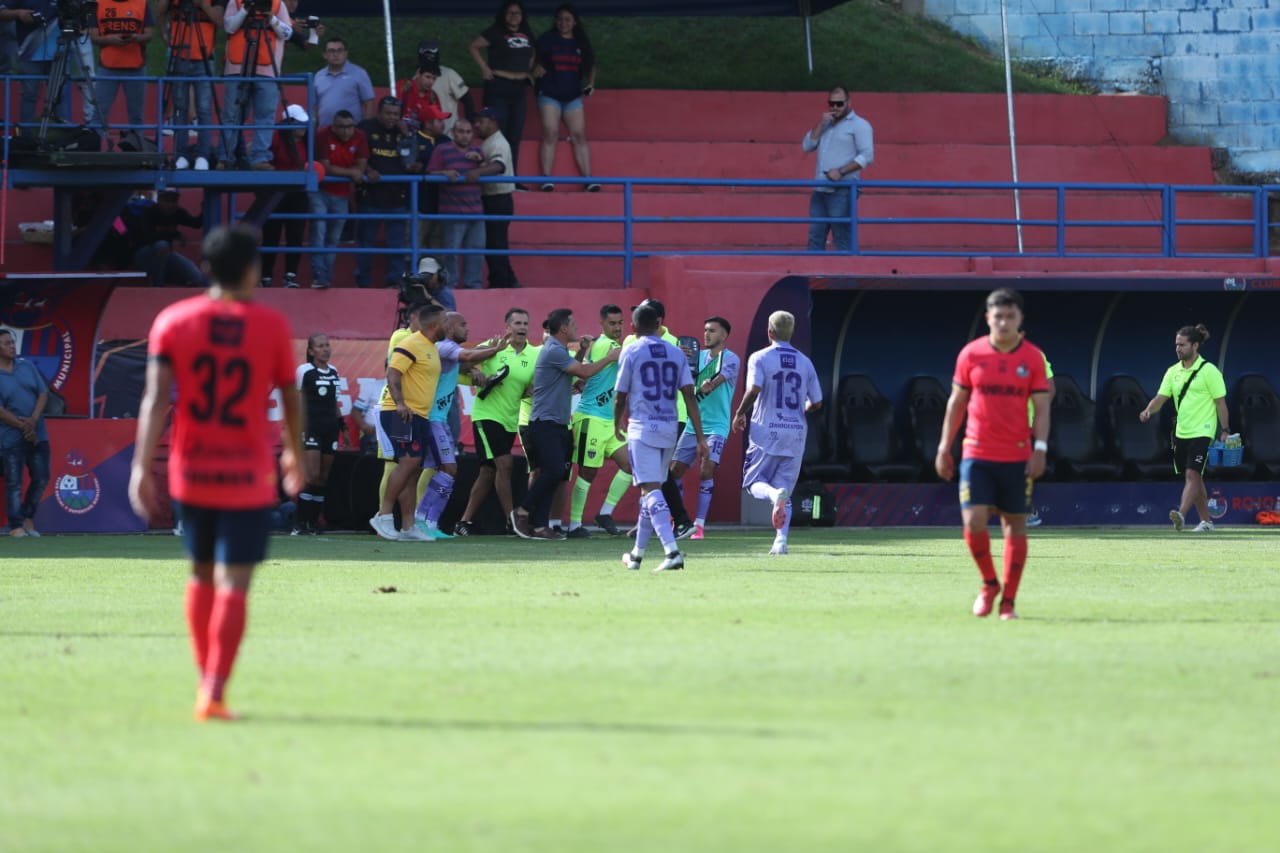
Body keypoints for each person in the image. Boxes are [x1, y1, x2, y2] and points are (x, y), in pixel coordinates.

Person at [128, 224, 305, 722]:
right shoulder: (269, 326)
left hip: (192, 471)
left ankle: (206, 683)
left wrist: (141, 466)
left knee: (201, 574)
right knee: (235, 583)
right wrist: (293, 452)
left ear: (204, 267)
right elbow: (290, 399)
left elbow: (156, 399)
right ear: (253, 269)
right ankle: (214, 689)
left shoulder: (172, 321)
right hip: (247, 476)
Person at [935, 288, 1050, 621]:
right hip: (976, 452)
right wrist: (945, 446)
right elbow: (956, 404)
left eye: (1010, 316)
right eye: (997, 316)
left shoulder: (1032, 358)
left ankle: (1008, 602)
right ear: (988, 318)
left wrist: (1040, 448)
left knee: (1015, 524)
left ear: (1020, 320)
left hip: (1017, 455)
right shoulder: (971, 355)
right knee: (973, 521)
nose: (1003, 322)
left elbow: (1042, 408)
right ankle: (989, 584)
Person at [511, 308, 618, 540]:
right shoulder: (553, 350)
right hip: (545, 422)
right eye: (574, 325)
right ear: (564, 328)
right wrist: (609, 357)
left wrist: (580, 352)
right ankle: (522, 510)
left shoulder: (558, 350)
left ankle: (540, 526)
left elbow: (572, 371)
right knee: (554, 471)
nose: (578, 329)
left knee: (555, 473)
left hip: (557, 422)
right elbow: (584, 372)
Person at [616, 304, 708, 572]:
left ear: (633, 328)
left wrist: (616, 422)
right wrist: (700, 436)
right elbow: (689, 395)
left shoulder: (631, 349)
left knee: (650, 490)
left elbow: (621, 394)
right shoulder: (677, 352)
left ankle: (672, 552)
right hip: (669, 427)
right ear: (658, 325)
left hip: (642, 427)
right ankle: (636, 555)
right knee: (651, 492)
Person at [732, 310, 823, 556]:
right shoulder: (805, 362)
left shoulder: (760, 357)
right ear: (791, 332)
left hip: (767, 429)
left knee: (753, 484)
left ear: (769, 332)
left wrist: (740, 412)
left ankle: (773, 495)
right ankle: (780, 541)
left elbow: (754, 389)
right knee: (785, 487)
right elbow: (817, 402)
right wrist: (799, 411)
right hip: (795, 431)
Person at [411, 312, 507, 539]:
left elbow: (465, 362)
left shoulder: (445, 352)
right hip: (432, 418)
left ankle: (428, 522)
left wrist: (473, 368)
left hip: (439, 420)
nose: (467, 328)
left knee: (442, 470)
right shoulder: (445, 346)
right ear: (448, 326)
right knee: (448, 469)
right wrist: (495, 350)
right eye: (463, 324)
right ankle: (421, 520)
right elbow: (467, 355)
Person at [1139, 323, 1231, 533]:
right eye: (1176, 345)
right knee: (1194, 477)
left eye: (1182, 345)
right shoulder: (1172, 372)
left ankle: (1180, 513)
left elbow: (1220, 403)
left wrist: (1224, 430)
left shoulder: (1209, 371)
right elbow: (1161, 397)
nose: (1178, 349)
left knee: (1192, 474)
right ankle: (1207, 522)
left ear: (1195, 346)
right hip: (1181, 432)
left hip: (1204, 430)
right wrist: (1147, 410)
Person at [454, 307, 535, 535]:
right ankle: (512, 521)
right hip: (486, 415)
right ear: (507, 327)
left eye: (525, 324)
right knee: (505, 464)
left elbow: (535, 384)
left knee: (488, 471)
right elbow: (461, 363)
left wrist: (533, 389)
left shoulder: (534, 354)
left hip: (510, 420)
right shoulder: (494, 344)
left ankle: (464, 522)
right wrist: (475, 373)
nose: (521, 328)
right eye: (517, 323)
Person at [369, 302, 445, 542]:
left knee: (413, 470)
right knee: (408, 463)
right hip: (400, 413)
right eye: (446, 322)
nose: (449, 326)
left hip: (419, 415)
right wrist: (400, 403)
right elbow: (393, 373)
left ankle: (408, 525)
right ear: (435, 324)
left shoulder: (431, 347)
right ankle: (383, 515)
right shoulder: (410, 343)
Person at [623, 297, 693, 536]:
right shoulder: (636, 342)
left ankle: (680, 520)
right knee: (653, 475)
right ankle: (652, 523)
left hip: (670, 415)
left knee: (659, 476)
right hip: (654, 417)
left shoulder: (672, 343)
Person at [566, 304, 632, 538]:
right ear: (602, 324)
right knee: (587, 473)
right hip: (590, 418)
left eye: (620, 323)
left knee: (630, 465)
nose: (617, 327)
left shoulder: (617, 346)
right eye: (612, 323)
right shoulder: (605, 344)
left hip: (608, 422)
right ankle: (574, 525)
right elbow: (631, 353)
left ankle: (605, 513)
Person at [671, 316, 739, 540]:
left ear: (724, 335)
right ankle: (677, 520)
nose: (706, 334)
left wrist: (710, 384)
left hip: (717, 426)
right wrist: (678, 358)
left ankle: (699, 525)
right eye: (705, 330)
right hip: (694, 424)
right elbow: (680, 377)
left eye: (712, 330)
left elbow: (720, 378)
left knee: (706, 470)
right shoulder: (696, 357)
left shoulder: (730, 359)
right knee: (674, 472)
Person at [218, 0, 292, 170]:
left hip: (267, 69)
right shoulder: (235, 2)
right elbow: (229, 27)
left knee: (264, 116)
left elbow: (287, 33)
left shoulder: (277, 4)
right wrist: (245, 10)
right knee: (231, 115)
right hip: (237, 67)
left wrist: (272, 19)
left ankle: (260, 158)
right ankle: (225, 157)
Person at [533, 4, 598, 193]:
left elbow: (592, 64)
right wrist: (535, 67)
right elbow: (532, 58)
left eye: (568, 19)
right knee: (550, 132)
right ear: (556, 21)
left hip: (573, 96)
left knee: (579, 135)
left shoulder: (581, 42)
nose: (563, 23)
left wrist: (591, 83)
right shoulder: (547, 39)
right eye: (560, 19)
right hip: (549, 93)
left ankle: (589, 179)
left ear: (575, 22)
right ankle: (546, 178)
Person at [801, 85, 874, 252]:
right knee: (815, 236)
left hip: (842, 190)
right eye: (831, 103)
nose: (834, 108)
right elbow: (807, 146)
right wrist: (820, 123)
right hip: (820, 189)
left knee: (842, 237)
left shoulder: (860, 125)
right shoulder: (826, 124)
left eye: (839, 104)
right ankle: (814, 275)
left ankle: (847, 276)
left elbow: (867, 156)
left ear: (849, 102)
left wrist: (841, 172)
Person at [356, 96, 418, 288]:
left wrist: (407, 135)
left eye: (396, 114)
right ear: (379, 112)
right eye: (388, 113)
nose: (392, 118)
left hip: (397, 198)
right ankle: (363, 282)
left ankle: (395, 282)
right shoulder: (365, 128)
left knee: (397, 246)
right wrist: (367, 171)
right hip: (370, 197)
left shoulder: (405, 133)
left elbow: (411, 163)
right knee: (365, 243)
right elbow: (355, 155)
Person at [470, 1, 535, 182]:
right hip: (499, 84)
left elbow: (534, 52)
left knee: (515, 134)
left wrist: (527, 71)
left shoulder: (528, 33)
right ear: (503, 15)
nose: (514, 16)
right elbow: (474, 46)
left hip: (519, 87)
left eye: (517, 13)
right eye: (510, 13)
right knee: (499, 132)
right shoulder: (496, 31)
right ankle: (495, 175)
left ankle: (512, 178)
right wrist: (484, 68)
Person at [158, 0, 223, 171]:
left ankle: (203, 155)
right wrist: (166, 36)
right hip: (179, 54)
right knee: (180, 107)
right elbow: (160, 10)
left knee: (203, 108)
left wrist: (202, 4)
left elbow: (219, 20)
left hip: (204, 57)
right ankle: (180, 155)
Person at [0, 327, 51, 538]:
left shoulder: (27, 366)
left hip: (38, 434)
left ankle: (28, 517)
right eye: (7, 344)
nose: (12, 347)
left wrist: (33, 421)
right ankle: (16, 526)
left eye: (12, 343)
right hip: (10, 437)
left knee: (41, 478)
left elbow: (43, 393)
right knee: (14, 483)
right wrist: (23, 427)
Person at [310, 108, 368, 290]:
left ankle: (326, 277)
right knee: (319, 231)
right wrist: (350, 172)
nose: (345, 131)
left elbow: (361, 165)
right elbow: (326, 168)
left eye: (349, 127)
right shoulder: (322, 136)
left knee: (333, 238)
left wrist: (352, 172)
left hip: (342, 195)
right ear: (333, 127)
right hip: (319, 191)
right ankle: (319, 275)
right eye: (341, 127)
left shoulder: (360, 136)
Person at [427, 116, 487, 291]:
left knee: (477, 251)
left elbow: (489, 168)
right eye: (461, 132)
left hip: (476, 210)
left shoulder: (478, 151)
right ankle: (449, 286)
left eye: (468, 132)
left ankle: (473, 286)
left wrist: (480, 162)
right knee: (450, 253)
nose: (465, 136)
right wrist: (444, 173)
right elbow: (429, 174)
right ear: (453, 133)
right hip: (452, 211)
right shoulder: (442, 150)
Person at [293, 333, 340, 534]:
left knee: (322, 477)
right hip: (310, 428)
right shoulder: (304, 371)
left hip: (330, 428)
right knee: (311, 476)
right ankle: (300, 522)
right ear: (311, 351)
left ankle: (313, 523)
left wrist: (343, 427)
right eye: (320, 346)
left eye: (327, 345)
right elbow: (296, 400)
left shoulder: (334, 371)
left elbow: (334, 402)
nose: (325, 349)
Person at [261, 103, 311, 287]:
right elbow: (257, 154)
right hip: (274, 192)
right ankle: (266, 276)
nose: (303, 127)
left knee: (295, 234)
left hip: (298, 193)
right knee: (271, 235)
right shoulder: (275, 137)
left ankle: (290, 276)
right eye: (299, 123)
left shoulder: (307, 141)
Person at [471, 107, 520, 289]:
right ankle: (506, 279)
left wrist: (476, 172)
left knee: (495, 244)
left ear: (493, 122)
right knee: (494, 243)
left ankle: (501, 282)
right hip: (494, 197)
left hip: (497, 198)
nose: (477, 125)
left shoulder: (497, 143)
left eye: (481, 121)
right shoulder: (491, 141)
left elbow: (498, 166)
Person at [89, 0, 155, 133]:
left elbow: (149, 34)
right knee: (100, 113)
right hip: (108, 66)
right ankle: (94, 149)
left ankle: (137, 149)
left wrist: (136, 38)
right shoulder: (99, 4)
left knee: (136, 115)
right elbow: (93, 37)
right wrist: (108, 40)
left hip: (135, 66)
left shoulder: (141, 3)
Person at [132, 189, 205, 286]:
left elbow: (196, 224)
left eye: (174, 201)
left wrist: (204, 207)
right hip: (144, 255)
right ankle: (157, 286)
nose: (170, 205)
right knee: (161, 245)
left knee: (197, 277)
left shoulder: (178, 212)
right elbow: (149, 237)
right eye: (166, 201)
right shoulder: (149, 212)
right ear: (159, 200)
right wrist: (176, 234)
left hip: (166, 254)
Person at [313, 36, 374, 130]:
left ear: (346, 53)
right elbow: (315, 106)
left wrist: (365, 128)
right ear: (325, 55)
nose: (336, 54)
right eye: (331, 51)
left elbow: (369, 102)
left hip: (351, 132)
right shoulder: (318, 76)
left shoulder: (359, 73)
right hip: (324, 132)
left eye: (340, 50)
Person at [417, 39, 471, 137]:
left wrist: (467, 127)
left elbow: (468, 100)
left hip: (449, 136)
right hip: (425, 136)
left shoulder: (449, 74)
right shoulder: (416, 77)